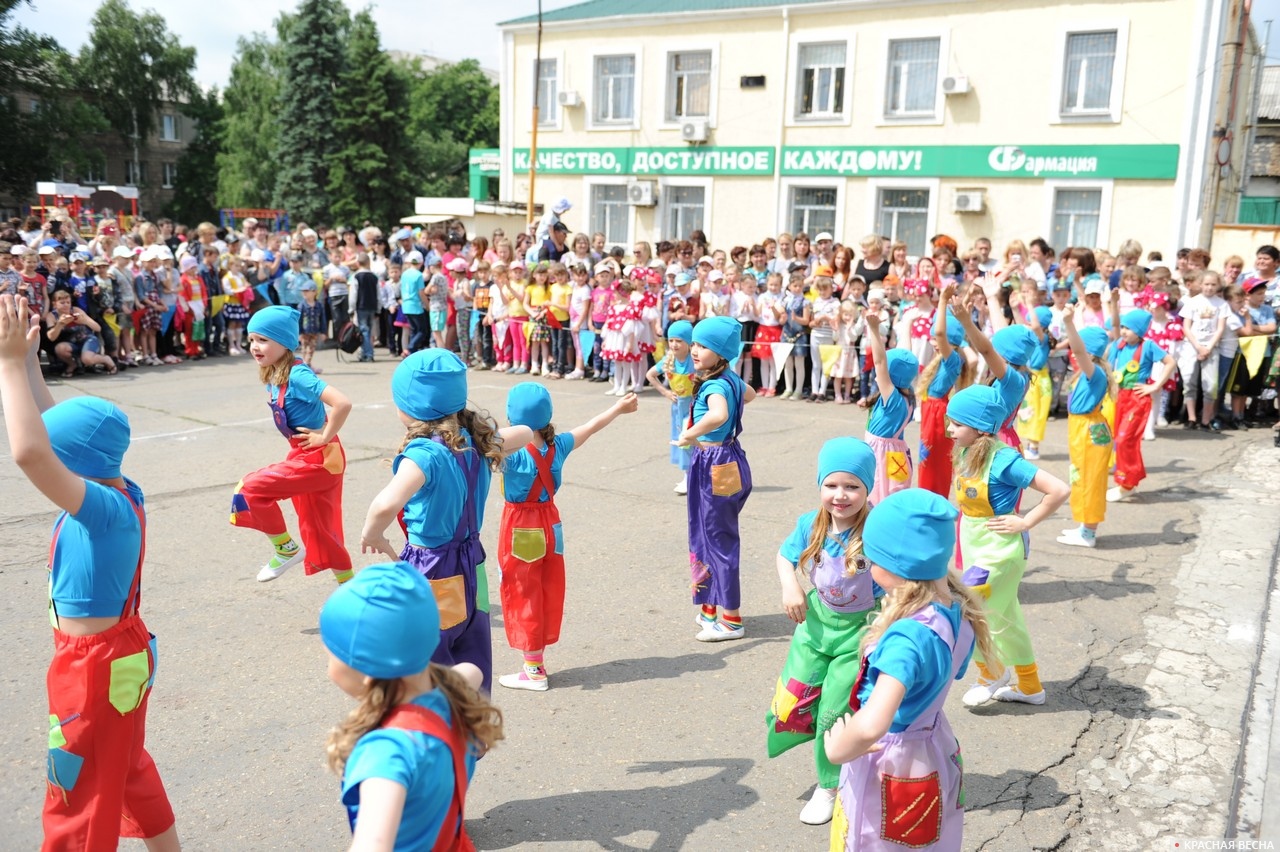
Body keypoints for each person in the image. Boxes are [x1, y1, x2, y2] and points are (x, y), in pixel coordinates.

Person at [0, 294, 180, 851]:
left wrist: (7, 366)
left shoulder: (98, 511)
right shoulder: (117, 489)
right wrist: (30, 364)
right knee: (125, 768)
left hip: (93, 665)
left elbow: (32, 452)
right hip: (121, 654)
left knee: (74, 788)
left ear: (69, 461)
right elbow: (58, 435)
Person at [824, 488, 994, 852]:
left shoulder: (907, 638)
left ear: (892, 565)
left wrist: (838, 749)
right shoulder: (956, 608)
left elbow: (873, 723)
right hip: (933, 747)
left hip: (892, 761)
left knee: (873, 841)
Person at [359, 350, 534, 693]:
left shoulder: (425, 454)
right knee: (472, 645)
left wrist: (374, 535)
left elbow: (384, 505)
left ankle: (434, 730)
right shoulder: (478, 442)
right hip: (473, 562)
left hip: (432, 565)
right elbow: (527, 433)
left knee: (426, 656)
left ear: (410, 406)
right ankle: (471, 726)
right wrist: (490, 437)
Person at [320, 561, 503, 851]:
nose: (328, 665)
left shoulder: (386, 753)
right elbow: (472, 671)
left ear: (367, 672)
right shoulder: (454, 699)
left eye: (331, 654)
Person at [767, 438, 880, 825]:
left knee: (834, 707)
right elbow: (785, 555)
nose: (841, 495)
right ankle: (818, 740)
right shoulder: (810, 523)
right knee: (795, 698)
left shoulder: (876, 528)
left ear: (868, 488)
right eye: (832, 485)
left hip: (860, 632)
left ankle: (829, 784)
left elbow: (903, 577)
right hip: (814, 625)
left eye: (852, 486)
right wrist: (790, 585)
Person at [496, 384, 638, 691]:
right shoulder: (557, 446)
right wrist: (618, 408)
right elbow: (591, 426)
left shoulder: (509, 452)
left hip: (520, 523)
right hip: (550, 522)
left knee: (523, 591)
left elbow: (476, 446)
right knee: (546, 588)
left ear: (511, 417)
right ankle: (537, 661)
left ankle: (533, 669)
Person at [947, 385, 1069, 707]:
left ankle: (991, 673)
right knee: (1007, 618)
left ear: (980, 428)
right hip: (975, 543)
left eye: (956, 424)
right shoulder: (966, 451)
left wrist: (1026, 521)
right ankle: (1030, 687)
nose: (949, 430)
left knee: (968, 609)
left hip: (1000, 552)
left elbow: (1058, 489)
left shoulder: (1004, 460)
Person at [231, 306, 354, 583]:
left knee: (249, 489)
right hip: (304, 454)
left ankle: (285, 549)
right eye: (251, 340)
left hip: (321, 458)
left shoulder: (298, 375)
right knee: (321, 530)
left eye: (263, 340)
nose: (255, 347)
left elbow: (342, 403)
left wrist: (323, 435)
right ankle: (353, 595)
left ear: (284, 342)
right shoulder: (274, 373)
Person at [674, 316, 756, 641]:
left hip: (715, 461)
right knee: (705, 533)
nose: (695, 350)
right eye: (694, 343)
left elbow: (719, 414)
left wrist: (689, 433)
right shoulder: (729, 379)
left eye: (704, 346)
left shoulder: (716, 384)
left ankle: (732, 618)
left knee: (718, 538)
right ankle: (709, 605)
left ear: (722, 352)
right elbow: (748, 394)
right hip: (726, 458)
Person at [1056, 312, 1116, 548]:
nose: (1072, 351)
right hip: (1084, 427)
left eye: (1076, 347)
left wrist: (1069, 322)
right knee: (1081, 476)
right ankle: (1084, 526)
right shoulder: (1090, 372)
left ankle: (1088, 532)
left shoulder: (1094, 372)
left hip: (1088, 429)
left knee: (1090, 479)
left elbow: (1080, 351)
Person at [1106, 308, 1175, 503]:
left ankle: (1127, 484)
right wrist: (1114, 302)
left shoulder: (1149, 346)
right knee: (1118, 439)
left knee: (1125, 439)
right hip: (1118, 397)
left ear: (1140, 330)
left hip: (1136, 399)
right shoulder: (1119, 345)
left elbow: (1170, 362)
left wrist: (1154, 385)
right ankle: (1127, 481)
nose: (1124, 331)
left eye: (1129, 328)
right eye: (1124, 327)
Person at [916, 287, 972, 497]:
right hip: (932, 409)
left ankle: (932, 496)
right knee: (927, 458)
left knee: (933, 460)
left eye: (936, 337)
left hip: (937, 412)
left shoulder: (952, 359)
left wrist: (941, 300)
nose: (933, 339)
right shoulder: (944, 359)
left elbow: (941, 332)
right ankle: (928, 495)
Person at [861, 312, 918, 504]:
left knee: (876, 491)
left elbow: (879, 363)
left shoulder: (892, 398)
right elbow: (907, 358)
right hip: (897, 450)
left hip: (881, 452)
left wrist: (874, 330)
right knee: (896, 490)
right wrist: (908, 324)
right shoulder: (908, 393)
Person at [647, 320, 698, 494]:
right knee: (682, 441)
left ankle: (694, 476)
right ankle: (687, 475)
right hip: (678, 410)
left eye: (679, 341)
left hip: (694, 409)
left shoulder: (694, 360)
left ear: (689, 342)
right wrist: (666, 392)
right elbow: (650, 375)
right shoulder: (669, 359)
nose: (674, 345)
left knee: (693, 441)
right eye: (671, 340)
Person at [1177, 270, 1228, 431]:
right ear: (1200, 284)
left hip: (1211, 347)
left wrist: (1208, 347)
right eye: (1206, 284)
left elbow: (1220, 329)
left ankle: (1206, 419)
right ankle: (1191, 417)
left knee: (1210, 385)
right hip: (1192, 346)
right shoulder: (1192, 302)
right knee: (1189, 382)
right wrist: (1198, 346)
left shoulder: (1222, 304)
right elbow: (1186, 327)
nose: (1210, 287)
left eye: (1213, 284)